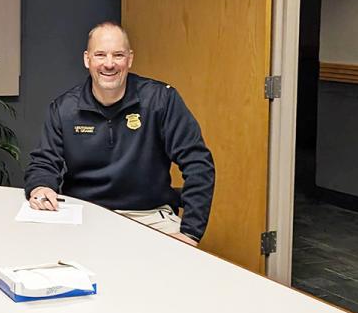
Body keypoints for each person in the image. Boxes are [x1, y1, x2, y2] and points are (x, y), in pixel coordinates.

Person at [24, 22, 215, 245]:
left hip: (150, 216)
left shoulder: (161, 100)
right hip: (85, 214)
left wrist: (190, 232)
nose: (109, 64)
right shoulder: (64, 108)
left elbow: (198, 163)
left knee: (171, 274)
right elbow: (44, 162)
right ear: (87, 59)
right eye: (100, 55)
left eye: (118, 55)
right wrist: (41, 186)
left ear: (130, 59)